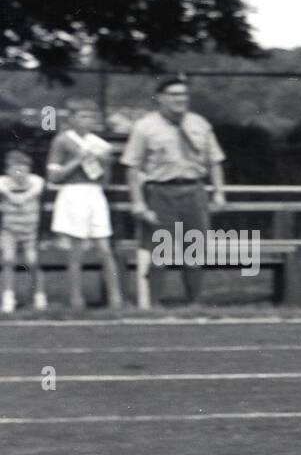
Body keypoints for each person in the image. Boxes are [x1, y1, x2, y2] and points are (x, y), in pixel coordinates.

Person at [120, 75, 227, 307]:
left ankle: (194, 302)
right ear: (160, 98)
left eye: (184, 95)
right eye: (174, 95)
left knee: (195, 250)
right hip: (161, 192)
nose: (181, 99)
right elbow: (132, 166)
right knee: (160, 249)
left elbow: (215, 160)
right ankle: (154, 303)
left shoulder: (199, 124)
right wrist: (138, 202)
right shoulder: (145, 127)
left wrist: (219, 191)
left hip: (194, 191)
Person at [46, 99, 123, 311]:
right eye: (82, 116)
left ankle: (116, 299)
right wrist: (77, 160)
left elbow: (105, 180)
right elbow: (53, 176)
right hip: (73, 193)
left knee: (105, 249)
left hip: (95, 194)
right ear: (71, 119)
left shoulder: (98, 143)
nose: (88, 120)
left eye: (91, 116)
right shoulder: (62, 141)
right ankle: (76, 299)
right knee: (76, 250)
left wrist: (106, 164)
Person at [0, 149, 48, 313]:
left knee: (32, 261)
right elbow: (5, 190)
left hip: (30, 231)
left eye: (24, 169)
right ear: (8, 170)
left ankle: (39, 295)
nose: (20, 173)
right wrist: (10, 195)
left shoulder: (36, 182)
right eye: (15, 169)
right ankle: (8, 297)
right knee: (8, 260)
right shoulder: (3, 182)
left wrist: (21, 197)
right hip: (9, 230)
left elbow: (34, 190)